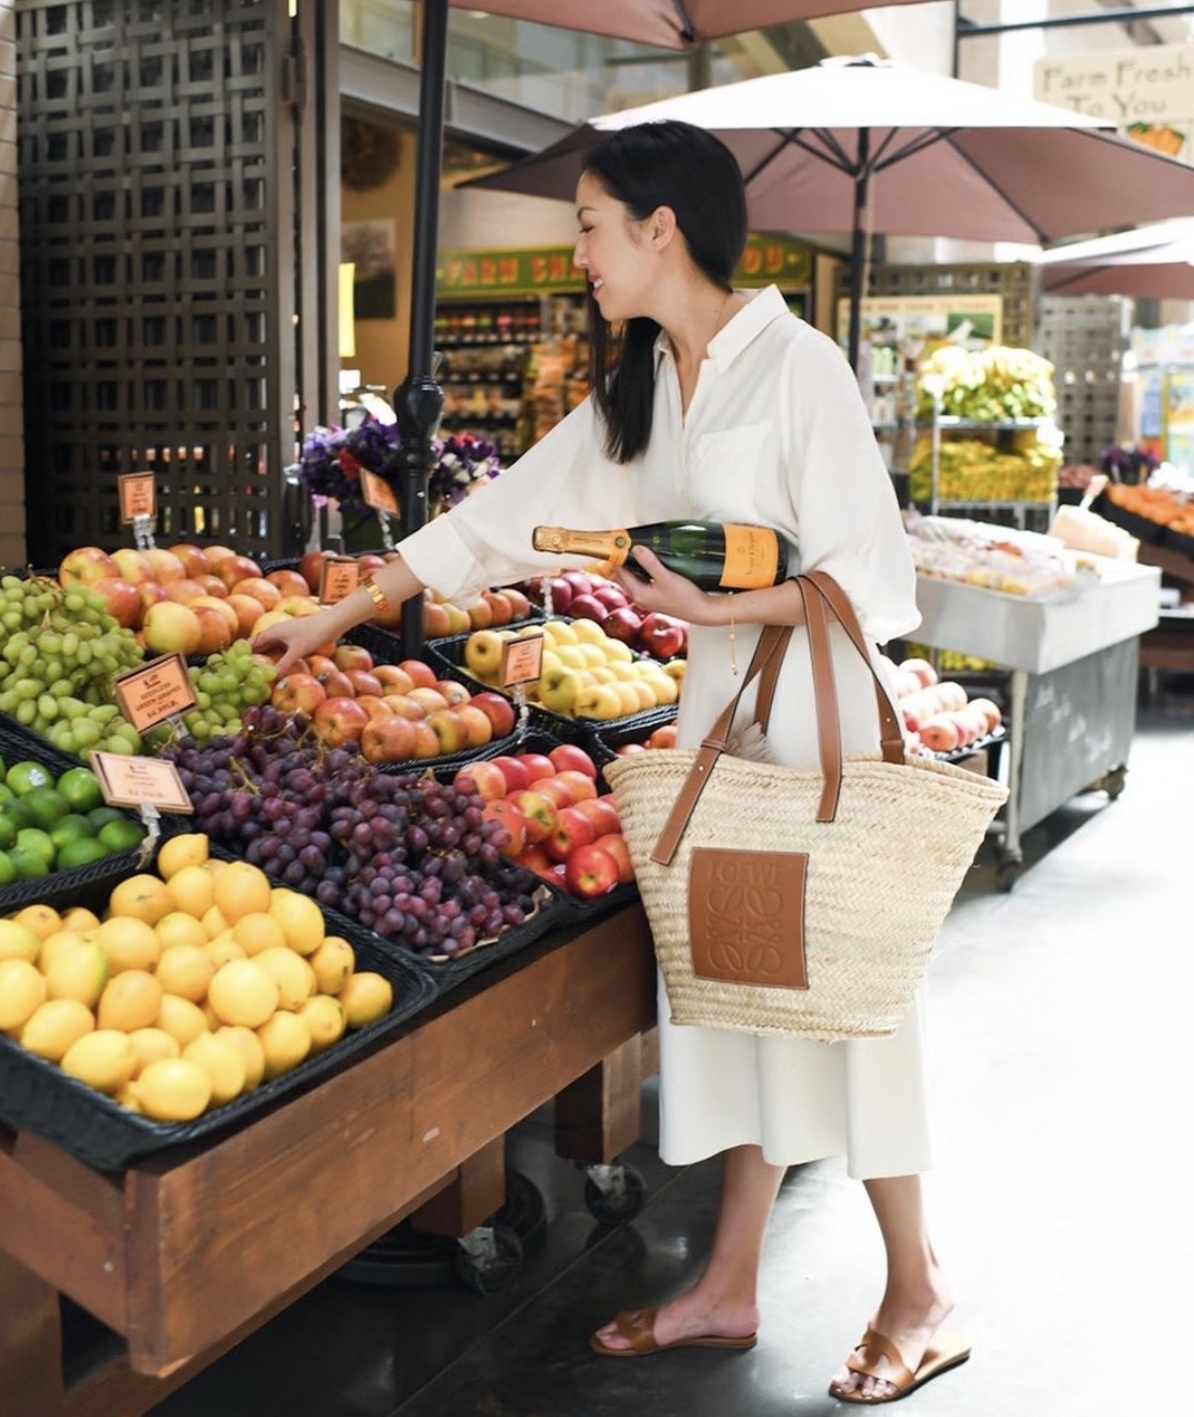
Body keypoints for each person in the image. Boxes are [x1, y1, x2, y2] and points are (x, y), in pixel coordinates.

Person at [255, 120, 967, 1406]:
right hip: (719, 728)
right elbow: (508, 511)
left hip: (808, 720)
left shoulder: (797, 366)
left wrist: (719, 614)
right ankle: (729, 1280)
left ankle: (919, 1287)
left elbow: (873, 570)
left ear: (661, 226)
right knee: (742, 996)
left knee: (849, 997)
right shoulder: (644, 385)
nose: (576, 248)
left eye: (590, 223)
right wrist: (341, 612)